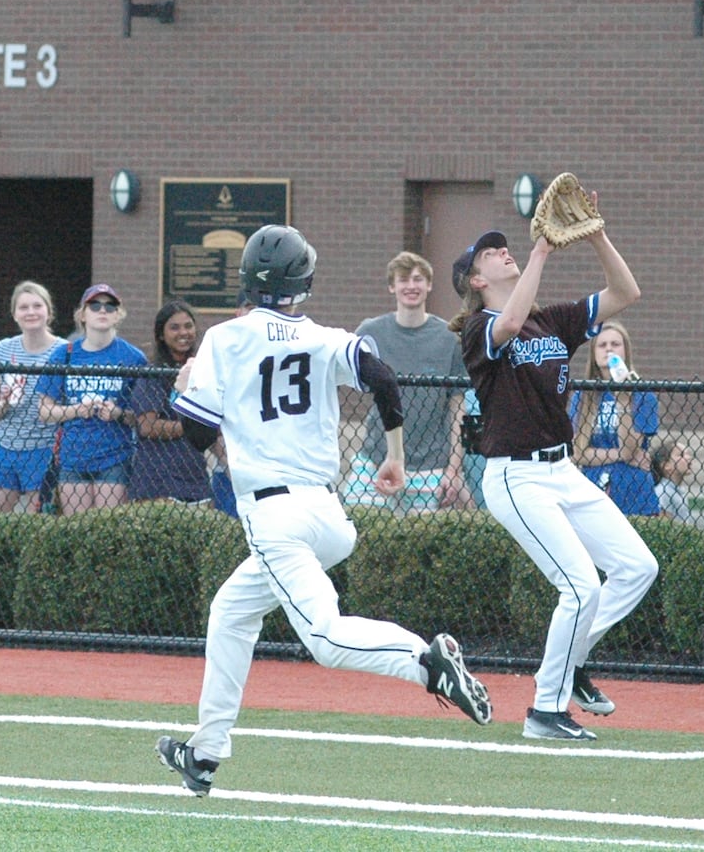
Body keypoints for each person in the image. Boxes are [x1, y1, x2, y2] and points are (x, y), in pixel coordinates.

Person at [156, 225, 491, 796]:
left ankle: (426, 660)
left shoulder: (224, 338)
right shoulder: (323, 337)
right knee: (231, 612)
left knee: (326, 639)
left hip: (275, 515)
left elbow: (193, 434)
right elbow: (382, 376)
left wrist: (183, 386)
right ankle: (206, 752)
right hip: (328, 514)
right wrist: (395, 456)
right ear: (302, 281)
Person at [449, 219, 656, 742]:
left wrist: (598, 238)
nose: (503, 253)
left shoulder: (551, 320)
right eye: (491, 253)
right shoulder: (481, 330)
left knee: (636, 567)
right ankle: (545, 710)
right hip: (517, 477)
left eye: (504, 247)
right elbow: (510, 322)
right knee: (580, 586)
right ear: (476, 280)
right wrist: (540, 252)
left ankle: (573, 660)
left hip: (562, 469)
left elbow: (626, 293)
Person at [348, 252, 472, 510]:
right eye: (403, 280)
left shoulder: (450, 338)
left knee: (420, 545)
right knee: (357, 529)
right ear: (392, 287)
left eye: (418, 279)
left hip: (430, 465)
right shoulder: (370, 333)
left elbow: (458, 408)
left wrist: (454, 470)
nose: (411, 286)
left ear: (429, 285)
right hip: (375, 458)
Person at [37, 284, 145, 513]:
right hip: (73, 456)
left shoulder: (133, 358)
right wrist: (76, 410)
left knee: (109, 528)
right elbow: (45, 411)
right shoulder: (64, 354)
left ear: (118, 314)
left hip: (115, 457)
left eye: (110, 306)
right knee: (77, 530)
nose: (102, 310)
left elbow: (143, 417)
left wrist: (118, 414)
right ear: (83, 315)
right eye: (95, 306)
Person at [0, 281, 68, 513]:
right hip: (4, 445)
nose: (31, 312)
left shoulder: (65, 351)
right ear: (14, 314)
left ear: (48, 312)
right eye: (24, 307)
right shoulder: (1, 350)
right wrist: (5, 401)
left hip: (45, 449)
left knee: (38, 528)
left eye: (37, 306)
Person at [127, 300, 215, 504]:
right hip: (157, 481)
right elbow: (148, 426)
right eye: (174, 327)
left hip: (195, 478)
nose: (183, 333)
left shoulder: (203, 371)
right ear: (161, 334)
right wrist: (193, 427)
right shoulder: (153, 374)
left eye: (188, 326)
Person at [569, 320, 659, 516]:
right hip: (592, 490)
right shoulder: (582, 395)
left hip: (634, 492)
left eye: (615, 344)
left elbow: (630, 449)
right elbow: (577, 453)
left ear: (625, 351)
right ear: (593, 353)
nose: (608, 349)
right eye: (602, 345)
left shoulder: (642, 394)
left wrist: (623, 403)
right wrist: (620, 455)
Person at [649, 437, 695, 524]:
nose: (689, 457)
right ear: (666, 465)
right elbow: (664, 526)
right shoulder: (664, 491)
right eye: (681, 455)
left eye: (688, 453)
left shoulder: (678, 490)